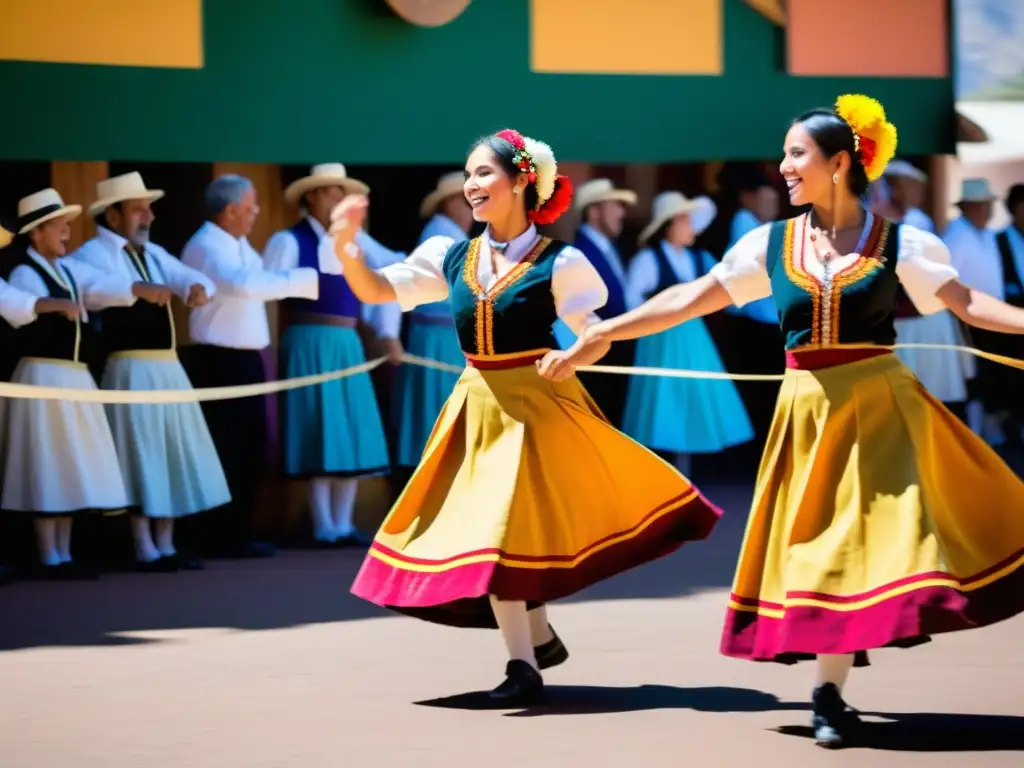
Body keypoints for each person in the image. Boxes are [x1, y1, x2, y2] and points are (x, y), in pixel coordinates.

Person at [550, 96, 1024, 748]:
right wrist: (601, 333)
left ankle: (830, 686)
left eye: (797, 153)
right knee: (827, 546)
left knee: (884, 539)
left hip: (885, 409)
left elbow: (966, 302)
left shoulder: (899, 243)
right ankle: (833, 683)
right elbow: (691, 297)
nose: (784, 166)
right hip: (808, 414)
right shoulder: (768, 245)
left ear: (838, 162)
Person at [331, 129, 722, 705]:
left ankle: (523, 665)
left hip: (538, 408)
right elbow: (376, 289)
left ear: (521, 183)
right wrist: (347, 245)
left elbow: (597, 335)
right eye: (468, 173)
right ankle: (535, 641)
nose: (471, 184)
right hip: (477, 406)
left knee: (504, 533)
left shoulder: (561, 262)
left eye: (484, 173)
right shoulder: (450, 255)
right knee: (499, 533)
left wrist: (575, 352)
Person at [71, 172, 230, 571]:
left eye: (148, 209)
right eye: (139, 210)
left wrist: (197, 288)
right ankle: (143, 545)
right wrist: (134, 289)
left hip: (167, 368)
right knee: (140, 453)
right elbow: (83, 284)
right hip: (129, 368)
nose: (149, 217)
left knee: (170, 452)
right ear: (113, 215)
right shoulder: (93, 253)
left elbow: (188, 275)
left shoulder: (154, 254)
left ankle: (166, 543)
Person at [181, 175, 319, 559]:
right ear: (229, 211)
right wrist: (307, 279)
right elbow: (243, 284)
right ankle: (216, 535)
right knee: (226, 449)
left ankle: (238, 531)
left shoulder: (237, 243)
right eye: (250, 206)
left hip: (247, 359)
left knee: (251, 448)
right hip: (219, 360)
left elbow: (259, 280)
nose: (256, 212)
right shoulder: (206, 245)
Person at [2, 189, 137, 579]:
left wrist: (137, 290)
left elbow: (102, 285)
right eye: (58, 225)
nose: (66, 230)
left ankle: (65, 553)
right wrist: (53, 305)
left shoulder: (67, 271)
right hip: (44, 376)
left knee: (71, 462)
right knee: (49, 463)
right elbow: (20, 312)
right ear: (37, 232)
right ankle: (48, 555)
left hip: (73, 377)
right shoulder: (25, 272)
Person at [263, 164, 397, 546]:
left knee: (350, 428)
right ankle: (323, 524)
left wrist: (386, 330)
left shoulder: (355, 242)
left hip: (347, 342)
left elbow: (393, 265)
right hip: (309, 341)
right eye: (330, 192)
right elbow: (267, 289)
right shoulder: (288, 241)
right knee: (320, 428)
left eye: (342, 192)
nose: (338, 200)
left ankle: (343, 522)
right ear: (311, 196)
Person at [621, 191, 753, 473]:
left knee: (695, 394)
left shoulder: (699, 258)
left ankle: (690, 470)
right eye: (684, 220)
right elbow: (631, 300)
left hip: (694, 340)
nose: (691, 226)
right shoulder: (648, 259)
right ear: (668, 224)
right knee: (663, 398)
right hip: (660, 339)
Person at [392, 172, 472, 471]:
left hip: (448, 338)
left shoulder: (452, 234)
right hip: (438, 338)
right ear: (451, 202)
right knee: (438, 411)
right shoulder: (440, 234)